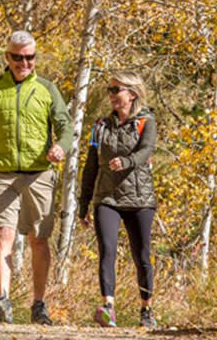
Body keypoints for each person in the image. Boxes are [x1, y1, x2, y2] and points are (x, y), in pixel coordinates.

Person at [0, 30, 73, 325]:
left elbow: (65, 127)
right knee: (4, 235)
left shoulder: (47, 89)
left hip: (39, 174)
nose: (24, 63)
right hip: (0, 174)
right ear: (7, 58)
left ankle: (38, 304)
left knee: (38, 239)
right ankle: (3, 299)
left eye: (30, 58)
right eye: (18, 57)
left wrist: (60, 148)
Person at [77, 72, 158, 329]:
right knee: (107, 251)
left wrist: (127, 162)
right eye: (109, 90)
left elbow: (146, 149)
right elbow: (91, 165)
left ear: (131, 94)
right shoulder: (99, 125)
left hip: (139, 197)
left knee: (142, 254)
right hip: (107, 197)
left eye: (116, 90)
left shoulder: (147, 121)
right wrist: (84, 204)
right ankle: (108, 307)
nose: (110, 95)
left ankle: (146, 307)